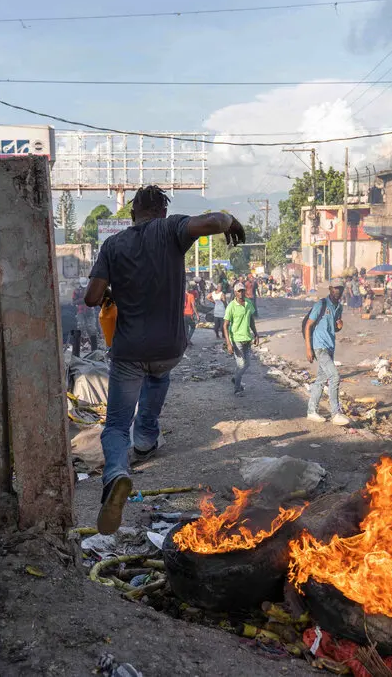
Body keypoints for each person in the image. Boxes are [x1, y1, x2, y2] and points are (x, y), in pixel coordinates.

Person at [84, 185, 245, 534]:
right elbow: (215, 220)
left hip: (129, 350)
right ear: (161, 210)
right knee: (158, 378)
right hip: (170, 348)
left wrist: (113, 290)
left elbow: (91, 297)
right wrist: (230, 222)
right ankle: (145, 440)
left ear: (132, 214)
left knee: (114, 425)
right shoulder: (171, 229)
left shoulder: (113, 245)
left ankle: (116, 473)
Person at [305, 277, 351, 426]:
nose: (337, 291)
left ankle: (311, 411)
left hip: (330, 347)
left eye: (340, 289)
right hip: (320, 347)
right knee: (335, 376)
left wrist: (340, 326)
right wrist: (308, 348)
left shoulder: (339, 307)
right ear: (330, 289)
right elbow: (308, 326)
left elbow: (335, 327)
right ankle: (335, 413)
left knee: (320, 381)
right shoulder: (321, 304)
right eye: (335, 288)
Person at [223, 282, 258, 396]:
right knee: (241, 365)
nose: (241, 293)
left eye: (242, 290)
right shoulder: (231, 306)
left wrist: (256, 334)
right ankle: (237, 389)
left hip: (247, 338)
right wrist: (228, 343)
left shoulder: (248, 303)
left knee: (247, 364)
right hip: (236, 339)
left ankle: (235, 378)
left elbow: (251, 320)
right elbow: (225, 325)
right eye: (239, 291)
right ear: (235, 293)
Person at [72, 277, 100, 352]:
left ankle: (94, 348)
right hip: (81, 312)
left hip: (90, 311)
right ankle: (82, 344)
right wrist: (83, 300)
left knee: (92, 328)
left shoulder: (90, 290)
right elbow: (74, 302)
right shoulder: (76, 291)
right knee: (81, 326)